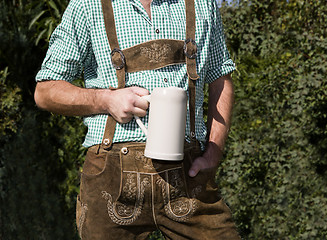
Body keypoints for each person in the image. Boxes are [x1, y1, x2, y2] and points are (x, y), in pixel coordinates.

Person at [34, 0, 240, 239]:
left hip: (189, 174)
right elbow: (45, 91)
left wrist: (213, 153)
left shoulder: (201, 3)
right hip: (111, 174)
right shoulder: (88, 4)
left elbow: (220, 80)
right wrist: (106, 100)